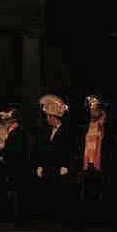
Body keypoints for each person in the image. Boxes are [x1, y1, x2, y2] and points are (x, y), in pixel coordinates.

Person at [34, 94, 73, 222]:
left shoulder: (66, 131)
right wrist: (40, 165)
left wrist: (66, 166)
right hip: (48, 168)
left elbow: (69, 150)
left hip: (59, 168)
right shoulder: (47, 131)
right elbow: (43, 150)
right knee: (48, 194)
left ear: (53, 117)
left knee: (58, 195)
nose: (47, 119)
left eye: (48, 117)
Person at [78, 95, 113, 224]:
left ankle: (100, 218)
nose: (92, 112)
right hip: (88, 162)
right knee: (87, 188)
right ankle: (88, 217)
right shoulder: (87, 126)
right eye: (91, 110)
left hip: (100, 162)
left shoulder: (105, 125)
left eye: (95, 110)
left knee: (100, 189)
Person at [0, 107, 30, 222]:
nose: (6, 121)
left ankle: (15, 215)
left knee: (15, 189)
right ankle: (8, 213)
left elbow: (16, 149)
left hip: (15, 164)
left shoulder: (19, 132)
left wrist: (4, 149)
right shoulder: (0, 129)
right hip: (4, 162)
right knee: (7, 188)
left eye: (9, 119)